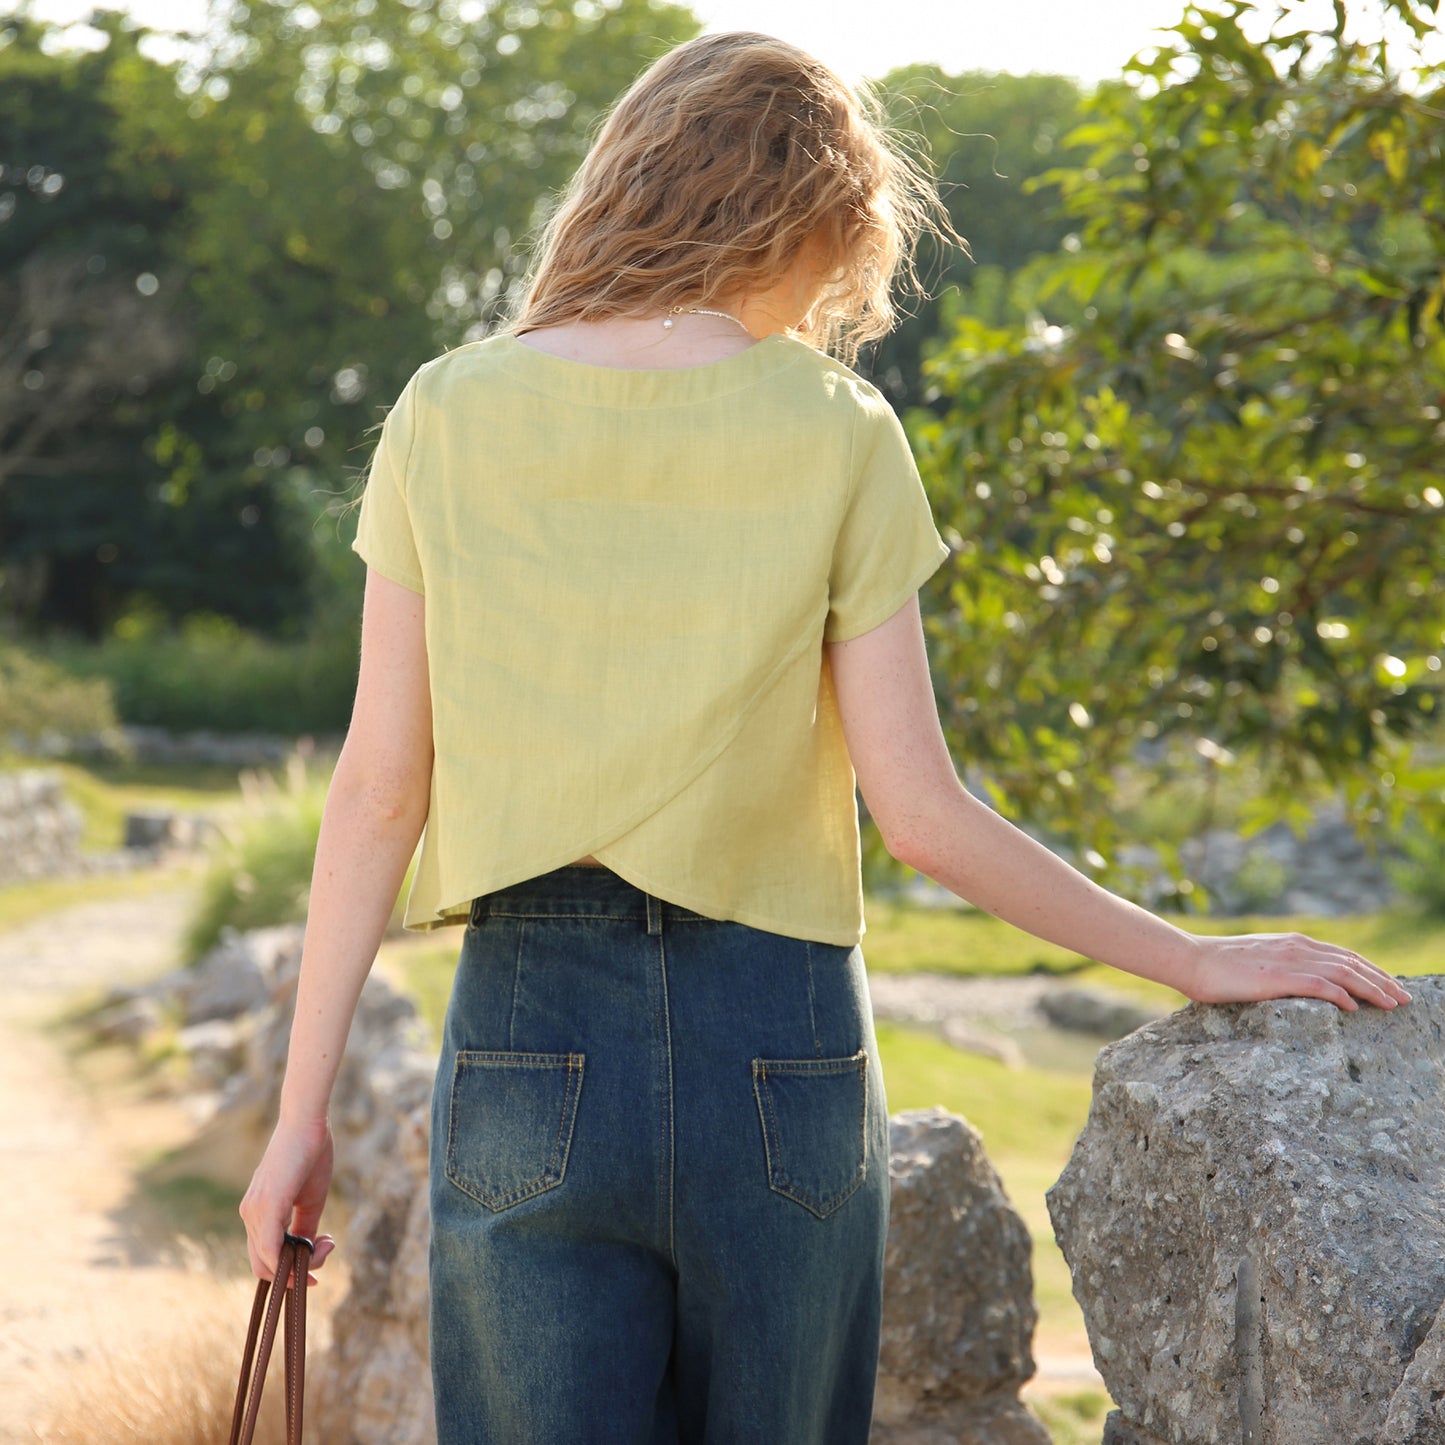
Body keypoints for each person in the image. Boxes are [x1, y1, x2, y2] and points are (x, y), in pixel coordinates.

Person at [239, 30, 1411, 1444]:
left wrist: (297, 1118)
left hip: (526, 1043)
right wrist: (1188, 954)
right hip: (779, 1046)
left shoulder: (445, 411)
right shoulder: (839, 426)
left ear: (636, 178)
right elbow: (919, 813)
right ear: (805, 220)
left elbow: (376, 790)